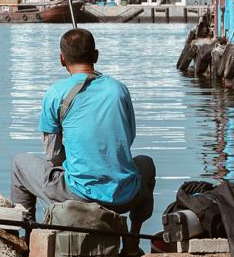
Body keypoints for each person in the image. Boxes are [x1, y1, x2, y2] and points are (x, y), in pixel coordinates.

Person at [11, 27, 157, 231]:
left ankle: (26, 236)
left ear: (61, 59)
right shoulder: (119, 89)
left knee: (19, 164)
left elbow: (52, 155)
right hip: (125, 196)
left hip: (78, 196)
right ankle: (132, 242)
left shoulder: (55, 93)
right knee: (146, 164)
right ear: (96, 55)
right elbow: (128, 138)